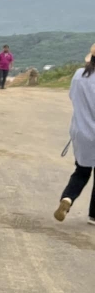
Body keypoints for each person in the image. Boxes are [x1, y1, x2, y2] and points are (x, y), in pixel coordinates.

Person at [54, 45, 95, 225]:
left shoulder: (79, 75)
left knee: (81, 171)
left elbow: (73, 97)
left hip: (82, 131)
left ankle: (68, 198)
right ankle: (93, 215)